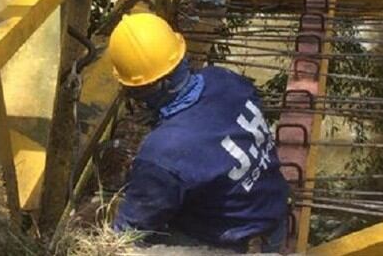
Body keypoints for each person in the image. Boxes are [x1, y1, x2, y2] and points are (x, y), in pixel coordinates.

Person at [109, 13, 289, 253]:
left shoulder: (164, 152)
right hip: (274, 217)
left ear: (147, 88)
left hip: (231, 245)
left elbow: (130, 229)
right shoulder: (222, 78)